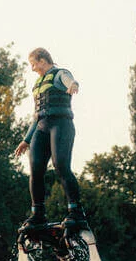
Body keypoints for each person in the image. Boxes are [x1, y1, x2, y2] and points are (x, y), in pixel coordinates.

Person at [13, 47, 88, 233]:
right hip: (41, 128)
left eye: (33, 64)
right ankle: (38, 214)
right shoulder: (38, 84)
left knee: (60, 165)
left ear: (43, 60)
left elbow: (69, 80)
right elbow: (36, 116)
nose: (32, 69)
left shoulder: (59, 74)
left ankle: (75, 210)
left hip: (61, 124)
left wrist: (73, 85)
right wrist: (26, 140)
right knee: (36, 169)